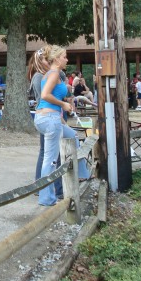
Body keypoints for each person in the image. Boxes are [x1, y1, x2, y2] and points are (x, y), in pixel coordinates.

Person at [27, 49, 89, 193]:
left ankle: (48, 187)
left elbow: (54, 96)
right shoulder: (41, 77)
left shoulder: (51, 75)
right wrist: (61, 107)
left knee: (52, 151)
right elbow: (43, 98)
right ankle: (50, 188)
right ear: (39, 61)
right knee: (50, 155)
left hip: (54, 114)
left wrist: (65, 100)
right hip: (49, 116)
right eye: (44, 59)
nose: (47, 61)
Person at [34, 45, 78, 207]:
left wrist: (62, 116)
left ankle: (80, 174)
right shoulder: (53, 74)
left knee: (72, 136)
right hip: (49, 119)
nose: (67, 59)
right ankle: (46, 198)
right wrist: (63, 104)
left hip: (50, 118)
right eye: (65, 56)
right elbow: (45, 95)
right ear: (58, 59)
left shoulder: (53, 74)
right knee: (50, 160)